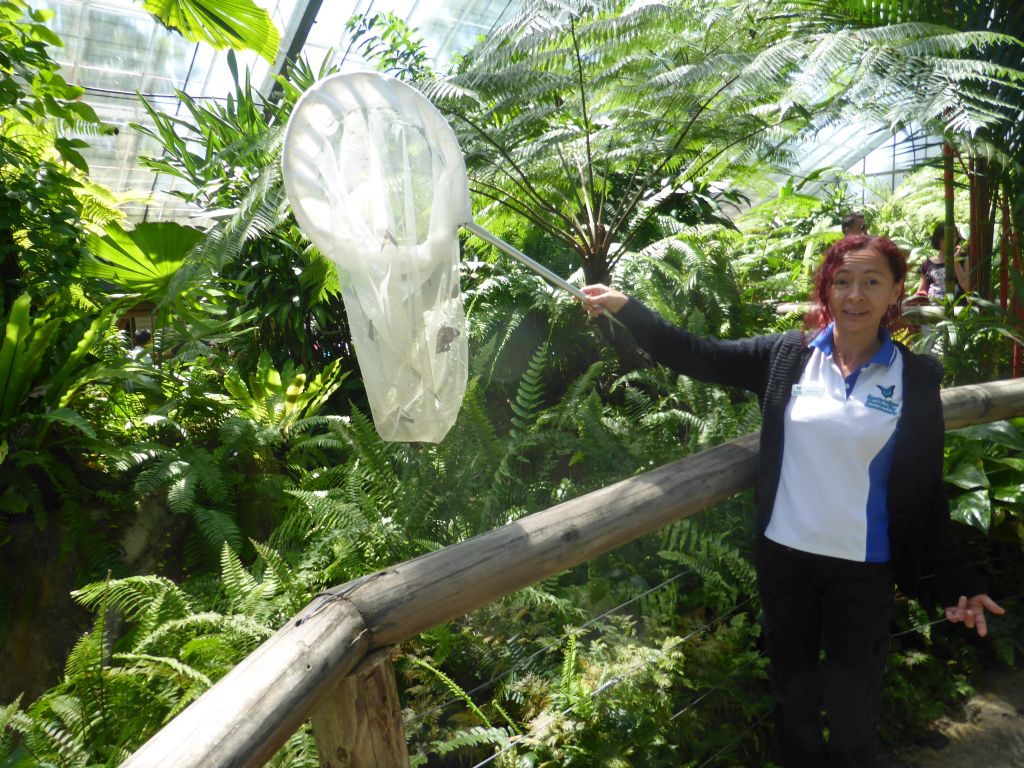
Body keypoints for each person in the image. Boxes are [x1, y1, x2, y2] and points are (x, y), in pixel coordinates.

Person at [580, 234, 1003, 768]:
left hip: (863, 573)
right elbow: (697, 354)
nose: (855, 295)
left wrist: (957, 582)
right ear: (826, 290)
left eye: (871, 282)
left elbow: (924, 491)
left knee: (853, 721)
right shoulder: (788, 356)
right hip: (786, 563)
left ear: (896, 290)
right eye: (842, 282)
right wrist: (626, 308)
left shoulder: (913, 379)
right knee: (793, 707)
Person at [918, 223, 969, 300]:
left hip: (958, 308)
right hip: (933, 308)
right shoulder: (927, 264)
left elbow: (967, 287)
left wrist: (955, 261)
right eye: (947, 237)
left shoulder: (963, 258)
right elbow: (921, 291)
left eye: (954, 237)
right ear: (938, 240)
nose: (952, 240)